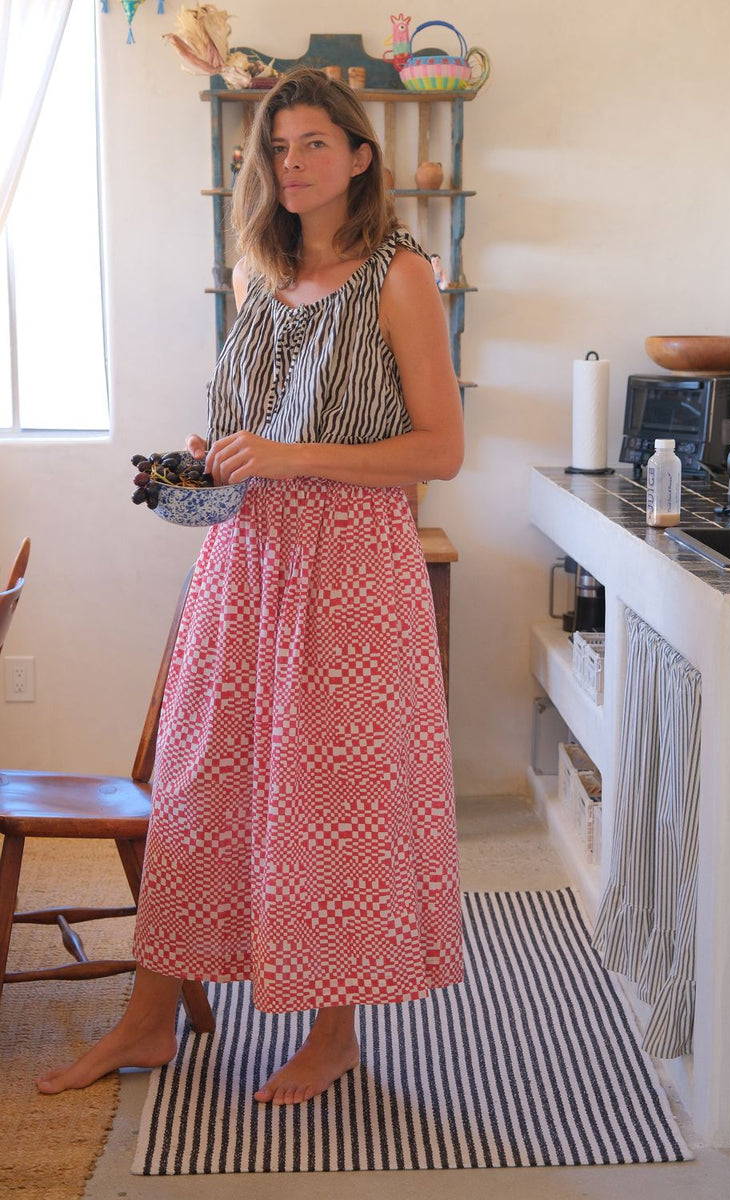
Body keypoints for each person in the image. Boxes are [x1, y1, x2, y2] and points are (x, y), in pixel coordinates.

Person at [37, 67, 464, 1106]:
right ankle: (148, 1021)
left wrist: (286, 457)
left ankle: (333, 1031)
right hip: (242, 564)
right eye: (276, 148)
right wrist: (213, 462)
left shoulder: (401, 275)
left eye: (315, 143)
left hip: (354, 567)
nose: (292, 164)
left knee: (333, 803)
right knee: (195, 792)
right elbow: (254, 439)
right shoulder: (252, 277)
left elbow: (440, 453)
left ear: (360, 157)